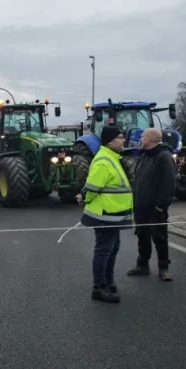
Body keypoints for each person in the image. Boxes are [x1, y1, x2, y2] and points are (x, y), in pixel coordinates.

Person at [76, 126, 134, 303]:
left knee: (112, 248)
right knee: (104, 250)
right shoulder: (103, 160)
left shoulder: (112, 158)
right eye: (120, 138)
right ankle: (99, 287)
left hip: (113, 214)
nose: (123, 141)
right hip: (105, 214)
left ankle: (108, 281)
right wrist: (84, 196)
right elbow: (93, 186)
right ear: (110, 141)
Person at [127, 128, 176, 281]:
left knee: (159, 236)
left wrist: (160, 205)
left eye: (143, 136)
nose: (141, 139)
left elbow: (168, 184)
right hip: (141, 205)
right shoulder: (143, 156)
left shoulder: (164, 157)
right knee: (142, 235)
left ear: (150, 139)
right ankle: (142, 265)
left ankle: (163, 268)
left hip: (156, 206)